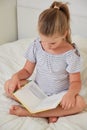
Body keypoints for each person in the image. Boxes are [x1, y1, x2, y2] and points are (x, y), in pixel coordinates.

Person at [4, 1, 86, 123]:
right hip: (37, 90)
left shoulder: (71, 54)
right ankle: (49, 112)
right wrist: (16, 76)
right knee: (8, 85)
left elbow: (75, 81)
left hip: (58, 96)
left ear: (65, 33)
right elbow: (27, 70)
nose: (48, 46)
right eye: (44, 40)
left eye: (53, 43)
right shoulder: (36, 45)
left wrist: (69, 95)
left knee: (80, 103)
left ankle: (28, 112)